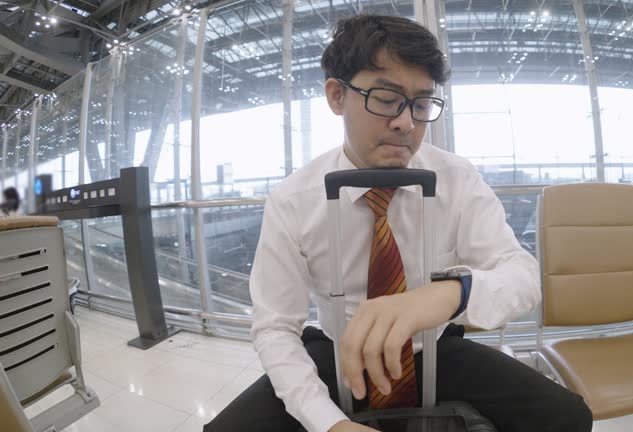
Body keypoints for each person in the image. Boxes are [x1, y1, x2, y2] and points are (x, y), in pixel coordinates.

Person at [205, 14, 592, 432]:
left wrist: (447, 295)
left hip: (433, 347)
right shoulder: (293, 200)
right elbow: (276, 326)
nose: (406, 122)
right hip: (338, 352)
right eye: (386, 99)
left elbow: (522, 276)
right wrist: (329, 424)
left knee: (568, 418)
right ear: (337, 96)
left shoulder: (456, 179)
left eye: (422, 104)